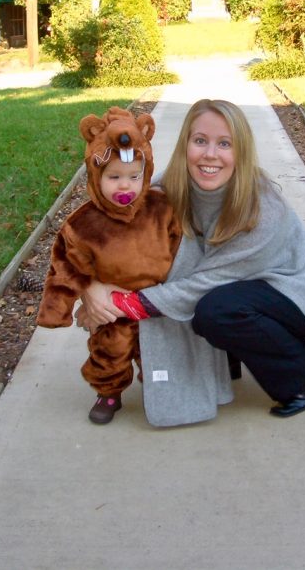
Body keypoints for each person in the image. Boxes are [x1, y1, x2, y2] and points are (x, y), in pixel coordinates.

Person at [78, 99, 305, 426]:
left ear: (240, 151)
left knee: (217, 312)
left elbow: (205, 284)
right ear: (185, 144)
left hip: (293, 292)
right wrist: (89, 286)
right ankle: (231, 355)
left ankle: (298, 369)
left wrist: (117, 303)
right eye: (200, 141)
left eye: (224, 143)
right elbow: (101, 229)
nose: (210, 154)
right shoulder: (168, 189)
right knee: (198, 283)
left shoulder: (263, 207)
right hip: (240, 285)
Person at [37, 107, 181, 424]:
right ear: (95, 176)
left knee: (157, 352)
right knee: (109, 353)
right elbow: (66, 267)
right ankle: (109, 392)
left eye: (134, 176)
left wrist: (175, 287)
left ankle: (159, 389)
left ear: (146, 173)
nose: (125, 187)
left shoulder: (161, 209)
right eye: (114, 177)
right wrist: (57, 308)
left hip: (154, 303)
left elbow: (179, 243)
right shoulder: (84, 224)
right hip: (112, 309)